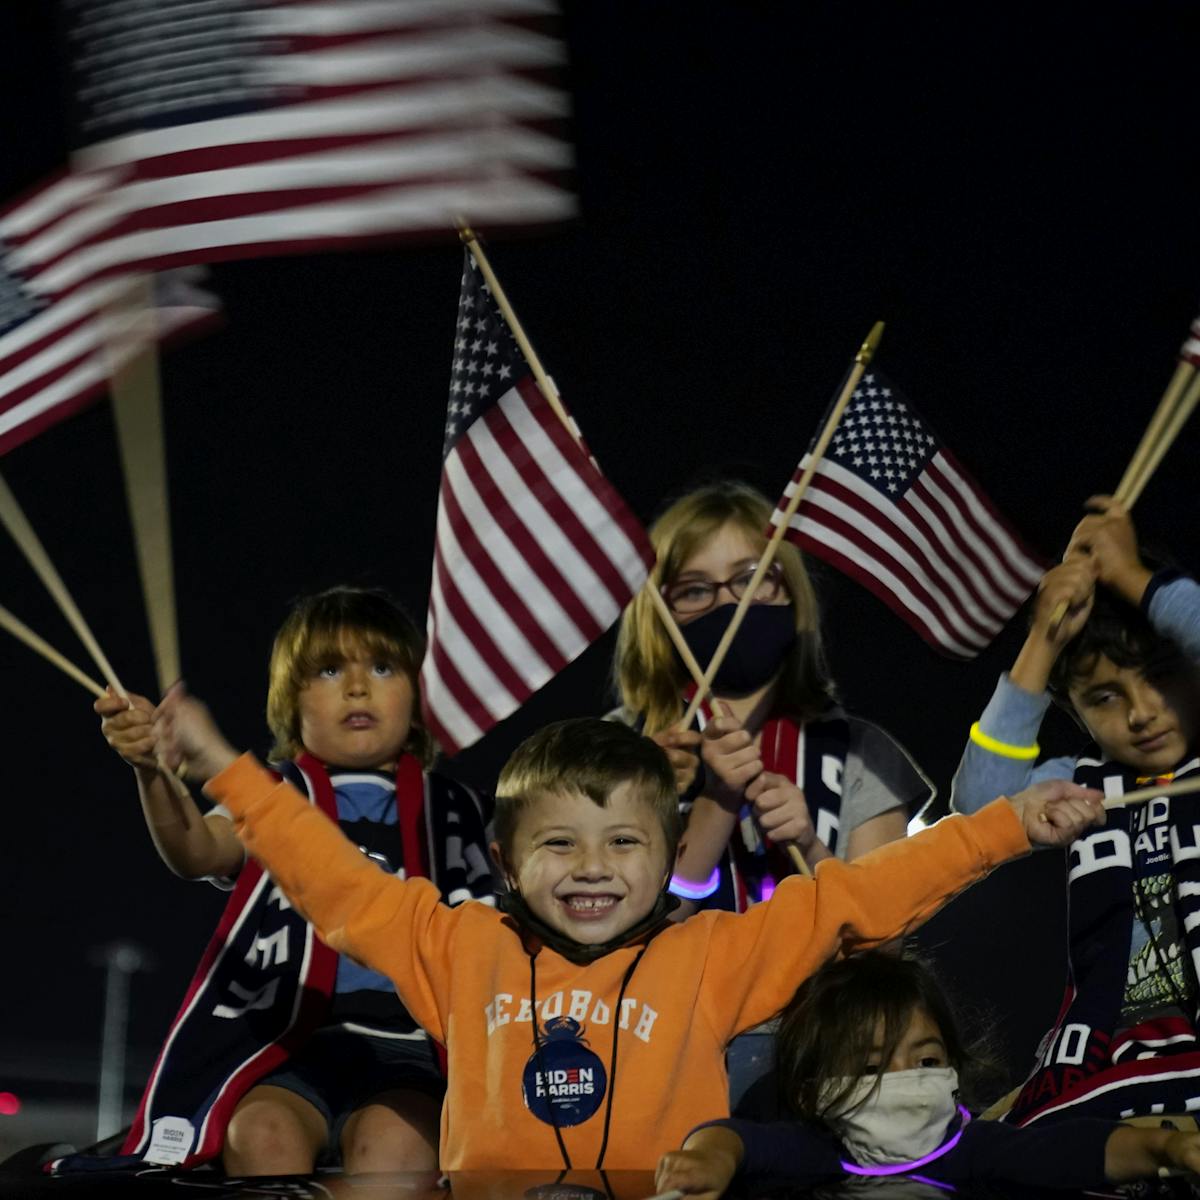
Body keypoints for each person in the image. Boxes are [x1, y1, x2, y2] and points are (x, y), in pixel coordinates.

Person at [149, 694, 1102, 1170]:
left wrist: (1011, 823)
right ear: (504, 856)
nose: (594, 866)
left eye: (625, 841)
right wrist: (227, 770)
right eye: (559, 842)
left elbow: (862, 894)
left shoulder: (714, 954)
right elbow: (336, 881)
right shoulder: (458, 947)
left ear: (668, 846)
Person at [77, 587, 494, 1176]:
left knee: (398, 1148)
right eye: (328, 670)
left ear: (419, 695)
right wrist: (150, 773)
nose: (358, 688)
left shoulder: (464, 811)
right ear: (289, 701)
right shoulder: (271, 798)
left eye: (382, 667)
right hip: (291, 1041)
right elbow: (195, 851)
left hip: (413, 1047)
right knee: (262, 1133)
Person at [951, 496, 1200, 1126]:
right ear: (1073, 709)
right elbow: (981, 803)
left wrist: (1136, 582)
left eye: (1162, 677)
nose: (1141, 712)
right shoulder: (1085, 782)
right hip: (1112, 1053)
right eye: (1107, 696)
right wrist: (1043, 640)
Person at [613, 481, 931, 912]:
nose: (729, 603)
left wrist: (808, 844)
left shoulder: (863, 754)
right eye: (694, 590)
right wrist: (712, 799)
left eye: (752, 579)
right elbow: (626, 939)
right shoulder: (617, 747)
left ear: (792, 594)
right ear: (658, 614)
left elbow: (881, 942)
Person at [655, 952, 1200, 1195]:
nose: (905, 1080)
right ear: (814, 1090)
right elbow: (738, 1141)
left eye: (925, 1061)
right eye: (870, 1067)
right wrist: (706, 1160)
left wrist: (1165, 1151)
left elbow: (1071, 1152)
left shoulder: (972, 1151)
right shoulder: (816, 1151)